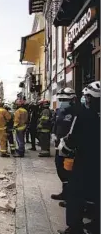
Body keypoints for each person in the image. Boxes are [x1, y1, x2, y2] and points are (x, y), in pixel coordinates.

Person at [58, 81, 100, 234]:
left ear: (89, 97)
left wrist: (65, 150)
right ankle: (96, 224)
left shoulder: (82, 114)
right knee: (97, 193)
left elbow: (72, 138)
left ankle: (75, 228)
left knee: (75, 193)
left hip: (84, 160)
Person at [50, 87, 78, 206]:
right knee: (60, 169)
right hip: (59, 145)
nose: (62, 101)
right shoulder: (60, 111)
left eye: (65, 99)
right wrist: (53, 134)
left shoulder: (76, 112)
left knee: (70, 171)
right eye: (61, 99)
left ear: (73, 99)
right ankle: (64, 193)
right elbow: (56, 124)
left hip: (70, 147)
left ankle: (70, 198)